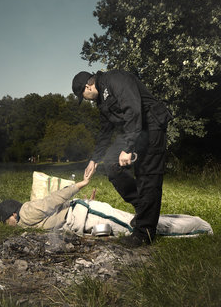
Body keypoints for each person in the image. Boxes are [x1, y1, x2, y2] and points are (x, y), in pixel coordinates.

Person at [72, 69, 172, 247]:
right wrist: (94, 160)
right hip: (134, 129)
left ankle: (144, 233)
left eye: (83, 96)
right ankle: (143, 208)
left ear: (87, 87)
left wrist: (128, 148)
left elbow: (133, 109)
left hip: (151, 126)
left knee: (147, 176)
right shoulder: (101, 100)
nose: (86, 100)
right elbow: (105, 131)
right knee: (110, 163)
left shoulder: (115, 79)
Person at [0, 176, 90, 229]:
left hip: (81, 216)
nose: (7, 226)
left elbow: (54, 199)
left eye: (6, 222)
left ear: (14, 215)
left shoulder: (27, 212)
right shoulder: (22, 221)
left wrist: (82, 183)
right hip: (78, 217)